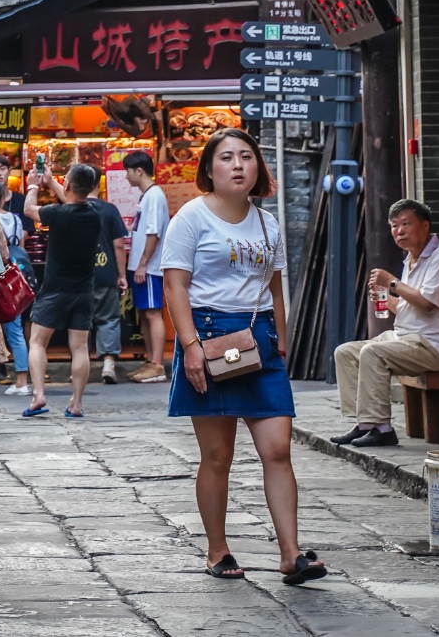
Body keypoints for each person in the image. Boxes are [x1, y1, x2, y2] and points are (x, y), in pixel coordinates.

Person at [164, 128, 322, 585]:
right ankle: (217, 549)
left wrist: (283, 339)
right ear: (209, 169)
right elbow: (175, 286)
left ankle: (291, 554)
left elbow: (274, 289)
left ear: (258, 167)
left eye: (247, 157)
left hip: (259, 339)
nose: (238, 165)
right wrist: (190, 347)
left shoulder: (267, 223)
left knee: (278, 448)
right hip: (207, 334)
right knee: (217, 455)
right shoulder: (190, 218)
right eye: (227, 157)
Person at [331, 199, 439, 446]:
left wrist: (392, 282)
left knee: (373, 353)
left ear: (425, 226)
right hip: (406, 338)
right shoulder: (410, 259)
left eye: (406, 224)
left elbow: (427, 303)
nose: (399, 231)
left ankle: (383, 429)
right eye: (394, 226)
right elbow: (407, 307)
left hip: (434, 345)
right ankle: (365, 424)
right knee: (346, 352)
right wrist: (386, 298)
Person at [22, 163, 124, 416]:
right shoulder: (95, 213)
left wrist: (35, 185)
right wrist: (53, 182)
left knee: (37, 342)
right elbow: (72, 198)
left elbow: (28, 209)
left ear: (68, 185)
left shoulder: (57, 214)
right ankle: (76, 404)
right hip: (84, 291)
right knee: (80, 347)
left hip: (55, 289)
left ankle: (38, 395)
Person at [0, 181, 33, 396]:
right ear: (3, 197)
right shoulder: (15, 219)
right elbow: (19, 247)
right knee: (15, 329)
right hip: (7, 278)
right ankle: (22, 379)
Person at [126, 151, 170, 383]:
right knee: (144, 313)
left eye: (128, 171)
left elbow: (154, 233)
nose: (126, 176)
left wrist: (143, 264)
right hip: (140, 266)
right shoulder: (147, 196)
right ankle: (150, 359)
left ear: (139, 171)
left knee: (153, 313)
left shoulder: (154, 196)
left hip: (150, 267)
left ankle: (157, 364)